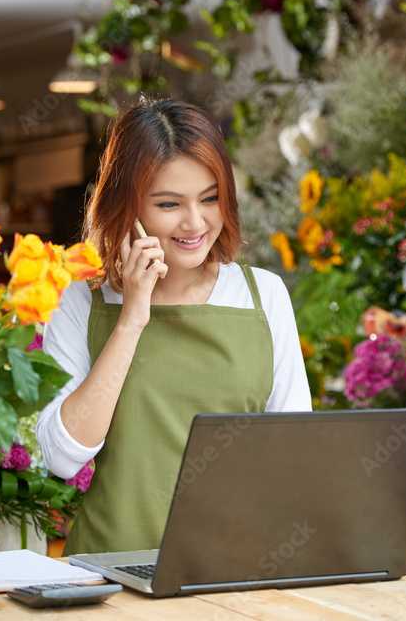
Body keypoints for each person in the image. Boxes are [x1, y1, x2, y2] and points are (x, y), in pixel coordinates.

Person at [36, 97, 312, 555]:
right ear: (128, 205)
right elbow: (62, 458)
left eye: (210, 198)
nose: (194, 222)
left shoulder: (263, 296)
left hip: (231, 573)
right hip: (106, 576)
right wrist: (132, 318)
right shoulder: (81, 304)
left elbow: (295, 456)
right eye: (169, 203)